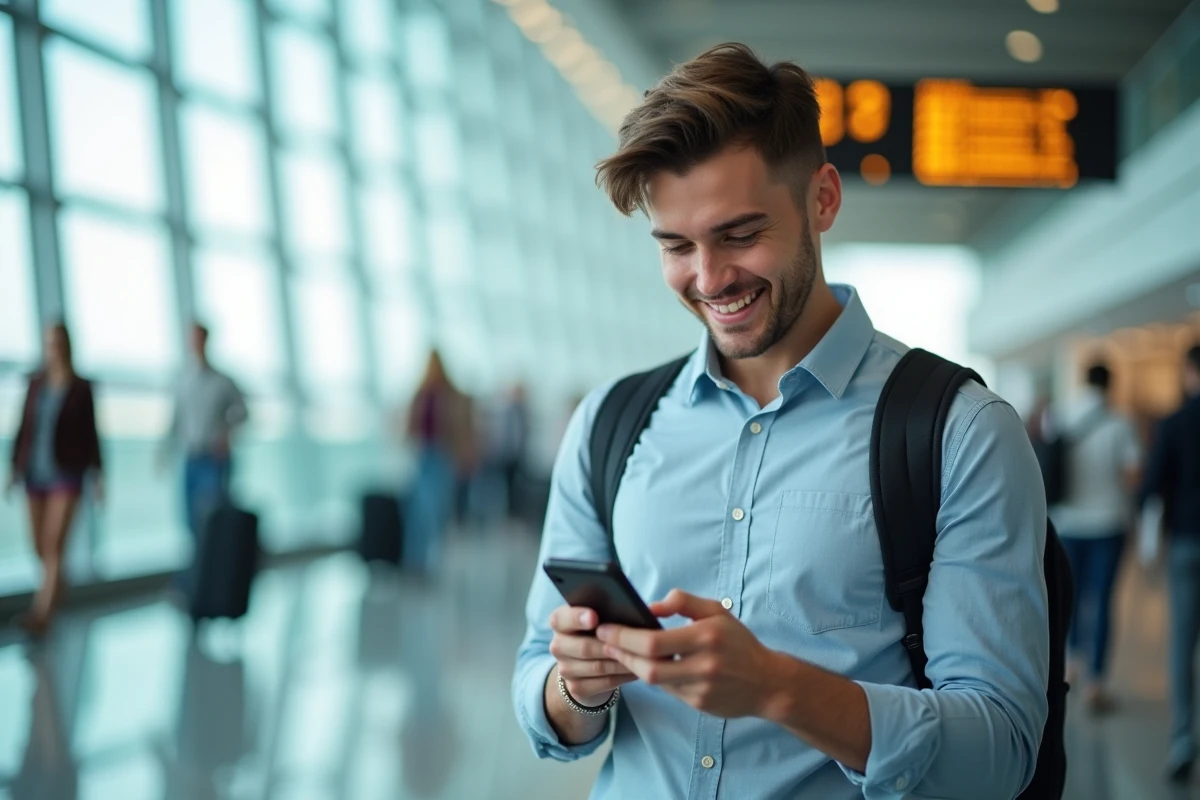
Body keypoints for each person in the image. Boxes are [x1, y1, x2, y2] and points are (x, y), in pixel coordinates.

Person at [513, 44, 1049, 799]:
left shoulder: (960, 433)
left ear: (822, 199)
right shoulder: (610, 423)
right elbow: (539, 674)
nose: (708, 278)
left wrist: (776, 687)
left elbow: (998, 753)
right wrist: (577, 687)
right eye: (675, 245)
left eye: (739, 234)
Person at [1050, 361, 1141, 714]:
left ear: (1083, 381)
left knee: (1069, 596)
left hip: (1067, 523)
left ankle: (1070, 665)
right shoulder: (1121, 422)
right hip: (1108, 524)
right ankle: (1096, 682)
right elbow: (1133, 475)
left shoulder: (1062, 415)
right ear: (1110, 384)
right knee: (1102, 601)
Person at [6, 323, 103, 636]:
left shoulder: (81, 387)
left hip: (68, 472)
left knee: (53, 543)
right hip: (35, 472)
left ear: (66, 344)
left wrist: (99, 473)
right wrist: (12, 468)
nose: (53, 347)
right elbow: (23, 427)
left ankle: (41, 617)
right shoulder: (36, 383)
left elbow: (92, 435)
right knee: (38, 546)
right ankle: (55, 590)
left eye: (57, 341)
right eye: (49, 342)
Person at [1140, 345, 1200, 783]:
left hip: (1186, 542)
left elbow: (1152, 485)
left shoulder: (1175, 423)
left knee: (1183, 642)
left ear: (1189, 373)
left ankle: (1182, 740)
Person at [159, 323, 247, 577]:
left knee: (215, 518)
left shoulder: (222, 381)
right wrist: (163, 452)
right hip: (191, 457)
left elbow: (242, 412)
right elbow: (175, 419)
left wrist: (226, 432)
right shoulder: (182, 381)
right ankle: (200, 575)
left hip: (215, 458)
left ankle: (221, 574)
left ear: (206, 340)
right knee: (190, 519)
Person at [403, 351, 474, 572]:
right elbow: (411, 426)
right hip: (424, 454)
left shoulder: (450, 396)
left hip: (442, 456)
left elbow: (462, 427)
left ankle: (433, 559)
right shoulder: (421, 394)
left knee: (437, 509)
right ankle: (417, 560)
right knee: (419, 510)